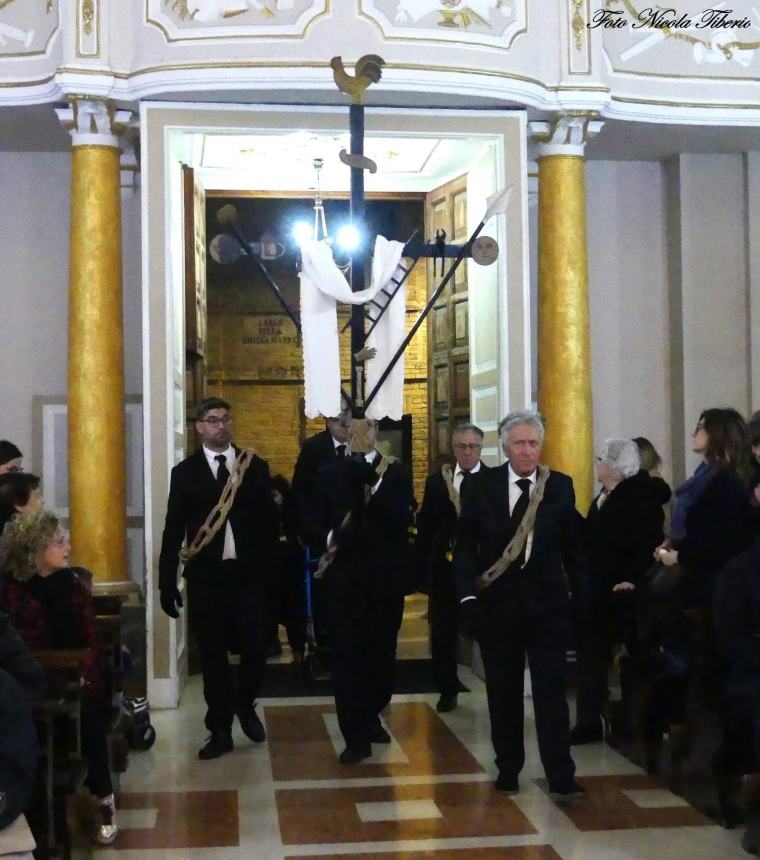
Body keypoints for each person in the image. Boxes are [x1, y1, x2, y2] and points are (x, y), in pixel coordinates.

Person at [453, 409, 587, 800]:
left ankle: (560, 773)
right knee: (503, 691)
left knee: (551, 693)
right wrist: (467, 597)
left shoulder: (559, 486)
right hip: (498, 608)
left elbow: (572, 548)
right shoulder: (482, 487)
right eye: (519, 443)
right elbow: (464, 549)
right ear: (505, 446)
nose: (527, 451)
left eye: (533, 443)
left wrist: (582, 600)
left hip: (547, 608)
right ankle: (508, 767)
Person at [158, 396, 277, 760]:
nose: (220, 426)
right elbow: (172, 529)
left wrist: (273, 575)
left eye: (225, 419)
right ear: (199, 427)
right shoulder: (185, 473)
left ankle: (244, 704)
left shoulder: (253, 467)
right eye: (212, 420)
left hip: (250, 576)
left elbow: (270, 527)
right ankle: (220, 729)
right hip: (208, 579)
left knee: (257, 648)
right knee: (213, 657)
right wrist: (167, 581)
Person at [0, 509, 117, 845]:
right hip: (30, 680)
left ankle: (104, 799)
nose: (67, 546)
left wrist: (84, 677)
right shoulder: (10, 591)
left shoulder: (73, 587)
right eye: (58, 541)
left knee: (90, 719)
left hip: (76, 677)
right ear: (35, 550)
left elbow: (92, 640)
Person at [310, 417, 414, 764]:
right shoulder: (328, 474)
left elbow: (402, 519)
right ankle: (355, 735)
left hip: (385, 581)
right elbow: (310, 521)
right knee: (347, 659)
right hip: (344, 582)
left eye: (368, 427)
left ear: (375, 432)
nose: (361, 433)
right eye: (352, 427)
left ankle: (371, 714)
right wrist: (330, 539)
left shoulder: (396, 473)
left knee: (381, 658)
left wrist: (370, 490)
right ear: (341, 431)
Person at [571, 439, 667, 744]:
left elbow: (644, 542)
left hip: (622, 590)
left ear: (614, 466)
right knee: (591, 654)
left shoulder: (638, 497)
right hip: (599, 588)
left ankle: (627, 722)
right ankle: (593, 719)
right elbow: (594, 536)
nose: (597, 465)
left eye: (600, 459)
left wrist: (633, 579)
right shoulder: (609, 495)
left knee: (622, 657)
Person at [417, 422, 488, 713]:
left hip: (480, 572)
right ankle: (447, 688)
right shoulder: (438, 482)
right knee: (443, 633)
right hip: (445, 570)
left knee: (484, 629)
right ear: (454, 448)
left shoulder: (493, 480)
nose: (468, 452)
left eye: (473, 447)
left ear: (481, 449)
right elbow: (426, 525)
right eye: (462, 446)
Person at [655, 408, 750, 608]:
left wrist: (680, 555)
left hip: (714, 584)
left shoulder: (725, 482)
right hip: (700, 578)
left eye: (700, 428)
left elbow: (724, 540)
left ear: (717, 435)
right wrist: (674, 545)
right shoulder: (708, 477)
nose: (693, 433)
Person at [267, 475, 306, 663]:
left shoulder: (293, 511)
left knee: (293, 609)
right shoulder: (268, 515)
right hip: (275, 566)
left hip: (291, 566)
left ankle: (297, 647)